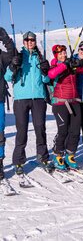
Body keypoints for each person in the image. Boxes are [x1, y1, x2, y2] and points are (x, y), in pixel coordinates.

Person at [4, 31, 51, 175]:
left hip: (38, 98)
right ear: (23, 42)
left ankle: (42, 157)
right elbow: (7, 77)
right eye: (27, 40)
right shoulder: (18, 56)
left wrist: (45, 71)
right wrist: (13, 66)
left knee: (40, 128)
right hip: (21, 99)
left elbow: (47, 81)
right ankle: (18, 162)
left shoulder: (40, 57)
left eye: (32, 40)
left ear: (35, 41)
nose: (30, 42)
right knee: (22, 130)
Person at [48, 44, 83, 170]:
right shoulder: (54, 65)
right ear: (56, 56)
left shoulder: (72, 66)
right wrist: (65, 65)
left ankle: (70, 154)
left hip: (74, 102)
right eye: (60, 53)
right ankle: (57, 154)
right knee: (63, 131)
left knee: (75, 131)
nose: (63, 55)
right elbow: (51, 75)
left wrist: (79, 62)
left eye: (64, 53)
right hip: (60, 103)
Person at [0, 27, 15, 180]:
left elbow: (13, 55)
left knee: (0, 133)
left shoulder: (1, 56)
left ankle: (0, 164)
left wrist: (6, 38)